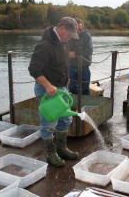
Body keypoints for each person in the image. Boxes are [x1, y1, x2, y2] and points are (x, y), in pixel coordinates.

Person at [28, 17, 79, 167]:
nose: (69, 38)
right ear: (61, 28)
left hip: (61, 88)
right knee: (49, 123)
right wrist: (48, 85)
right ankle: (51, 154)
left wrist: (66, 78)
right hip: (47, 90)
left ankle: (61, 148)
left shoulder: (64, 42)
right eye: (69, 34)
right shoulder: (44, 45)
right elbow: (33, 69)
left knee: (65, 120)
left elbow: (64, 63)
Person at [68, 18, 93, 95]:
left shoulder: (86, 36)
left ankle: (84, 104)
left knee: (85, 89)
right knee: (71, 88)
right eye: (77, 29)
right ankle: (77, 101)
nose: (79, 30)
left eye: (80, 28)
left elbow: (89, 51)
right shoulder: (68, 36)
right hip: (71, 67)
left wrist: (75, 53)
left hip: (84, 67)